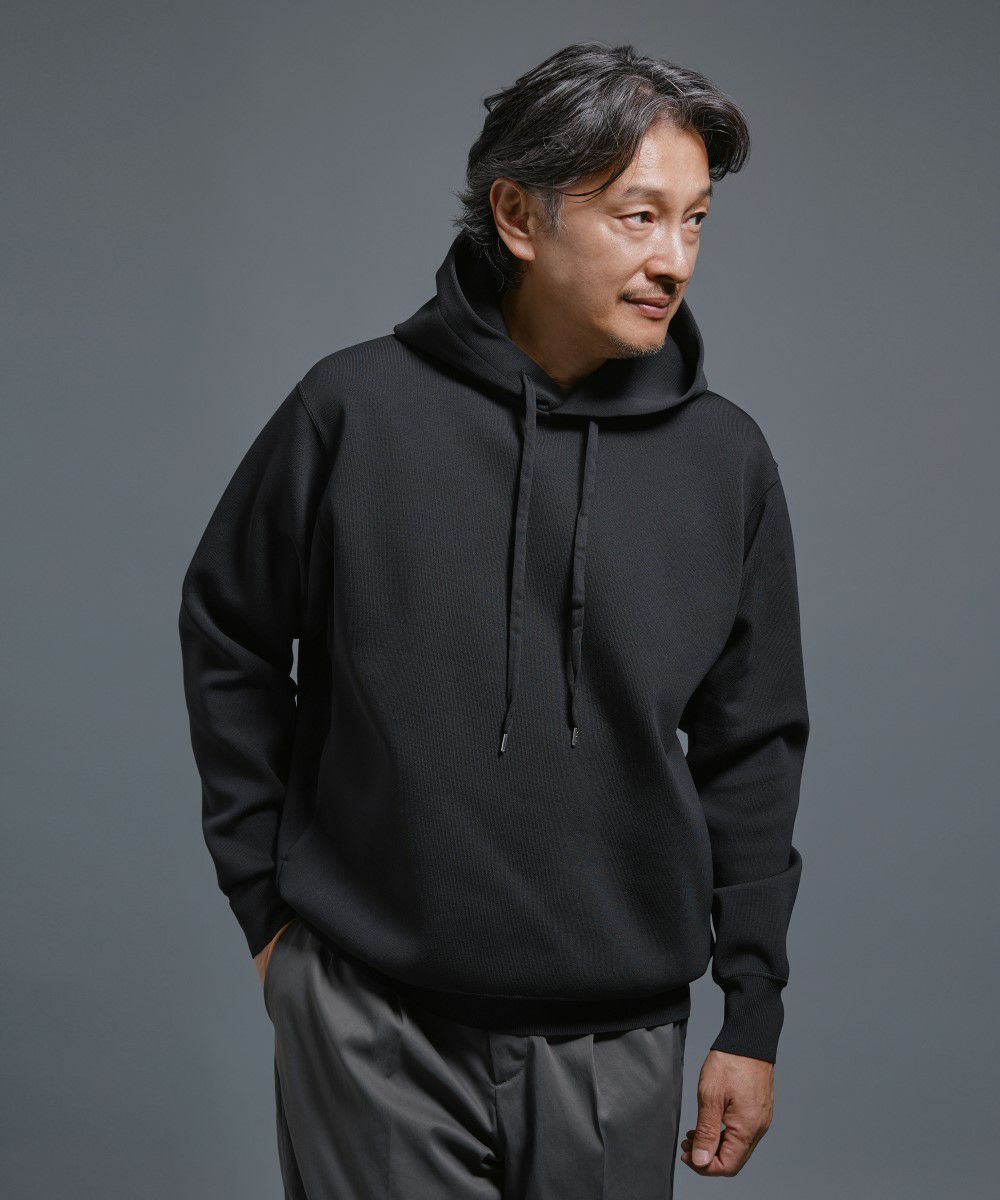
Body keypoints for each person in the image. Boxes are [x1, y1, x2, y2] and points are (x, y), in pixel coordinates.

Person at [178, 40, 810, 1198]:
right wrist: (265, 912)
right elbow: (230, 634)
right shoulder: (351, 411)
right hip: (368, 1020)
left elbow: (753, 748)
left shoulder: (726, 462)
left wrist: (752, 1011)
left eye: (695, 222)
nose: (672, 259)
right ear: (519, 216)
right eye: (638, 216)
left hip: (620, 1040)